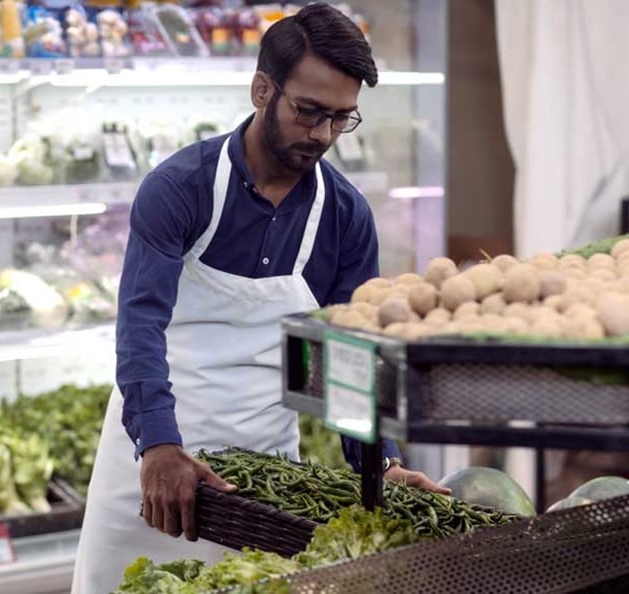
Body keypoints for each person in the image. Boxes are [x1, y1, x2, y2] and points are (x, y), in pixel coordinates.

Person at [71, 4, 450, 592]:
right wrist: (162, 446)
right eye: (309, 112)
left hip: (264, 478)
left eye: (342, 119)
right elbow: (140, 324)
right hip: (150, 459)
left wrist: (379, 464)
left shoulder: (345, 217)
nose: (323, 135)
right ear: (261, 90)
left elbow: (343, 355)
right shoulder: (179, 189)